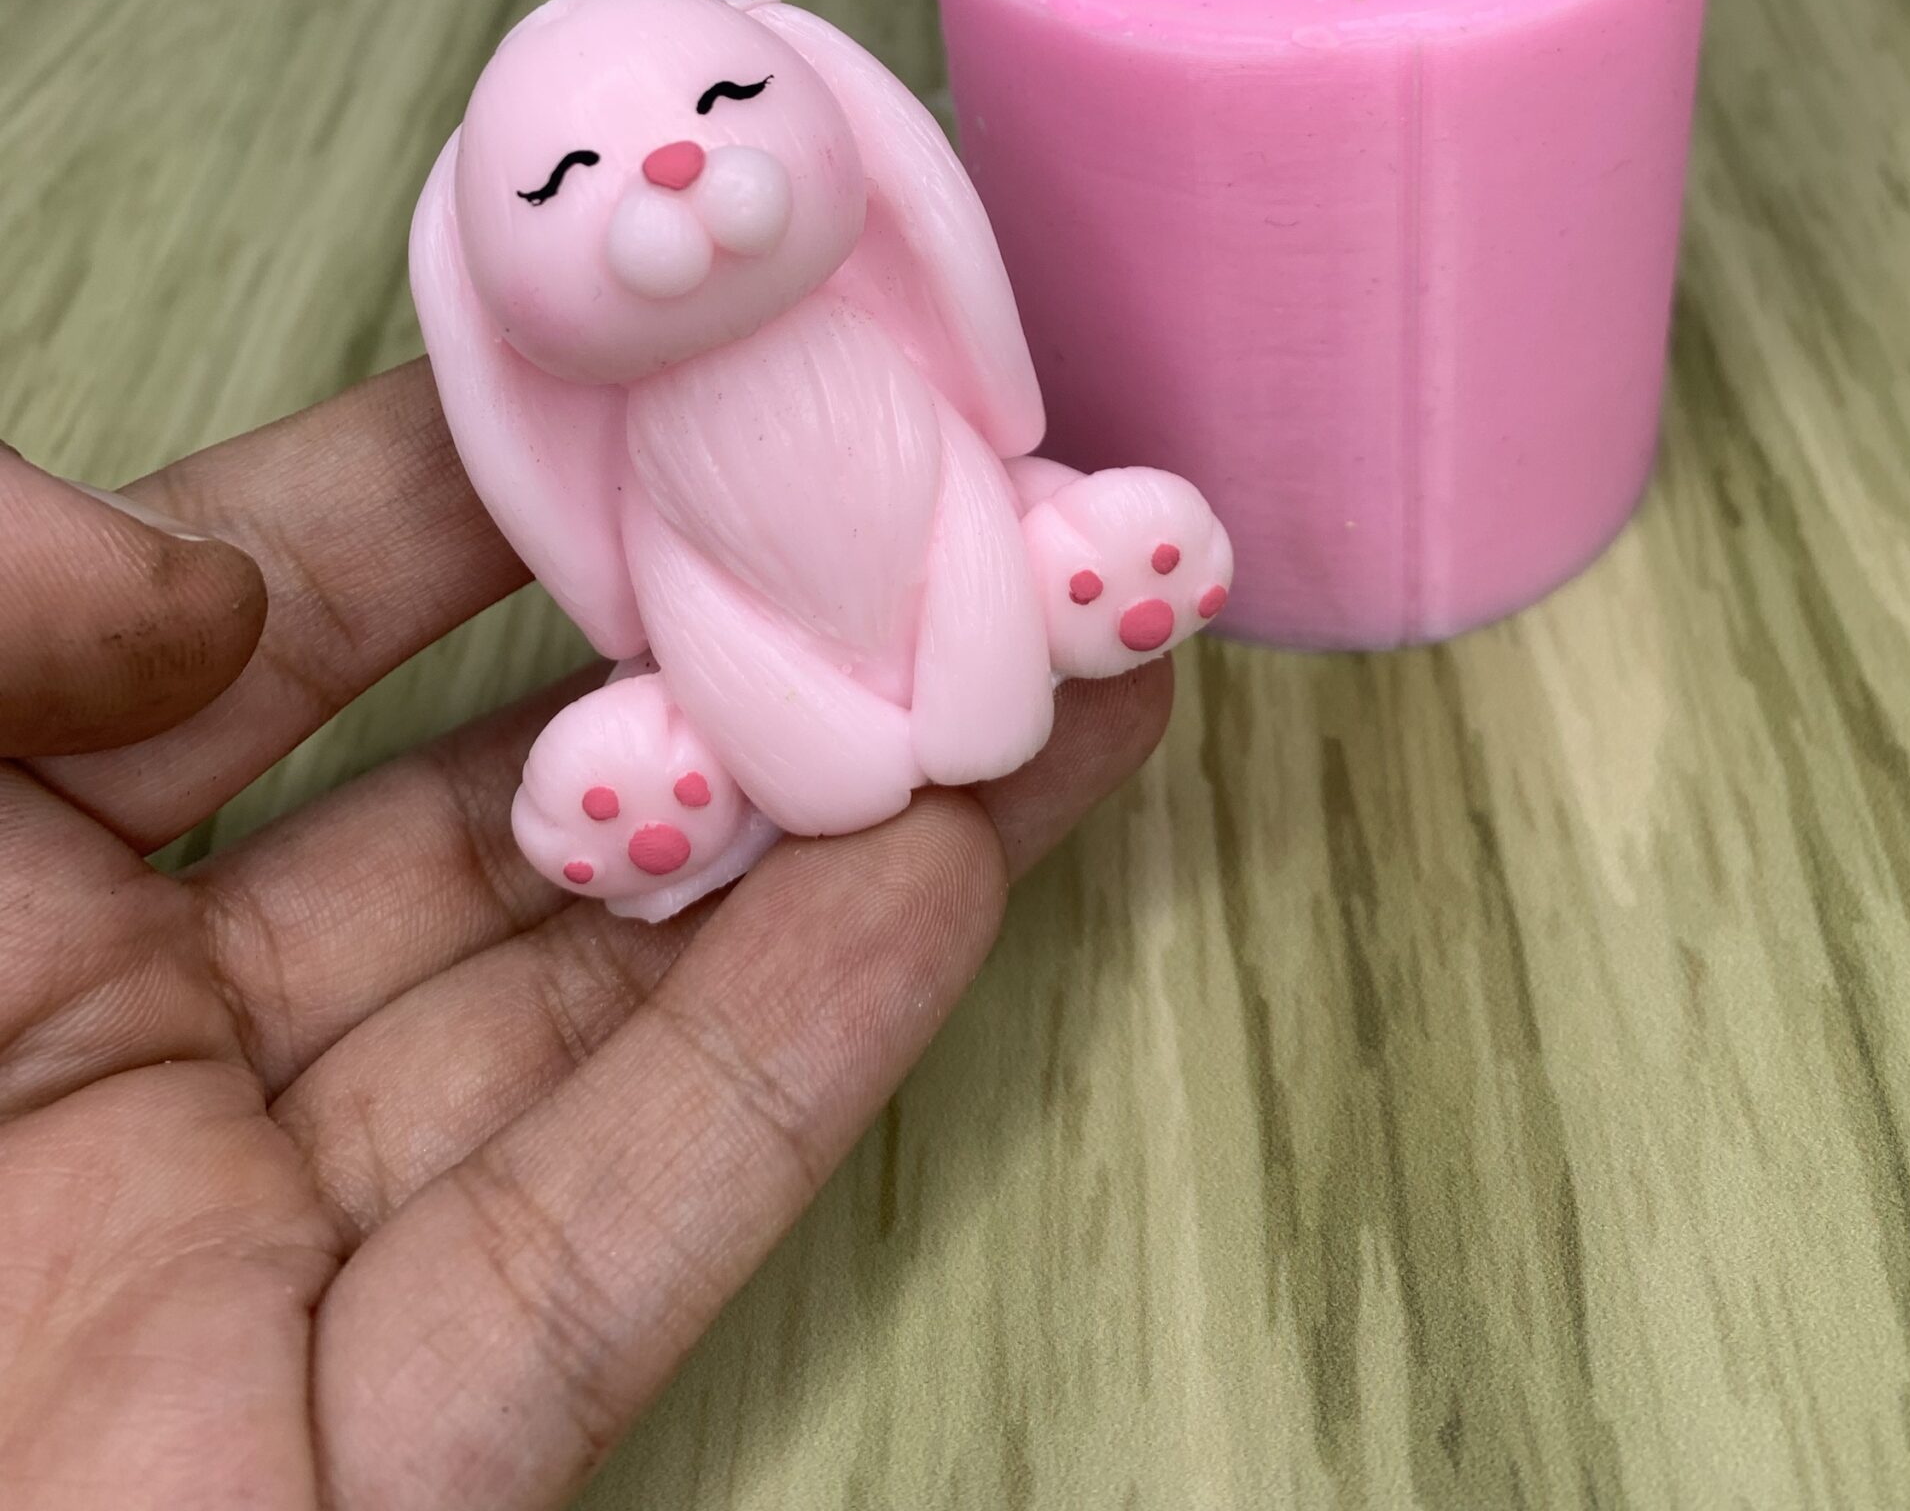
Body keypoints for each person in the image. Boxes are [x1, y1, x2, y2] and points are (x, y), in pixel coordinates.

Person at [0, 359, 1170, 1507]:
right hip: (740, 652)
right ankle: (686, 755)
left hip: (935, 531)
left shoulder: (873, 340)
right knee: (708, 666)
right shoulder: (607, 439)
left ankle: (1047, 552)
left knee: (966, 522)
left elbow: (967, 417)